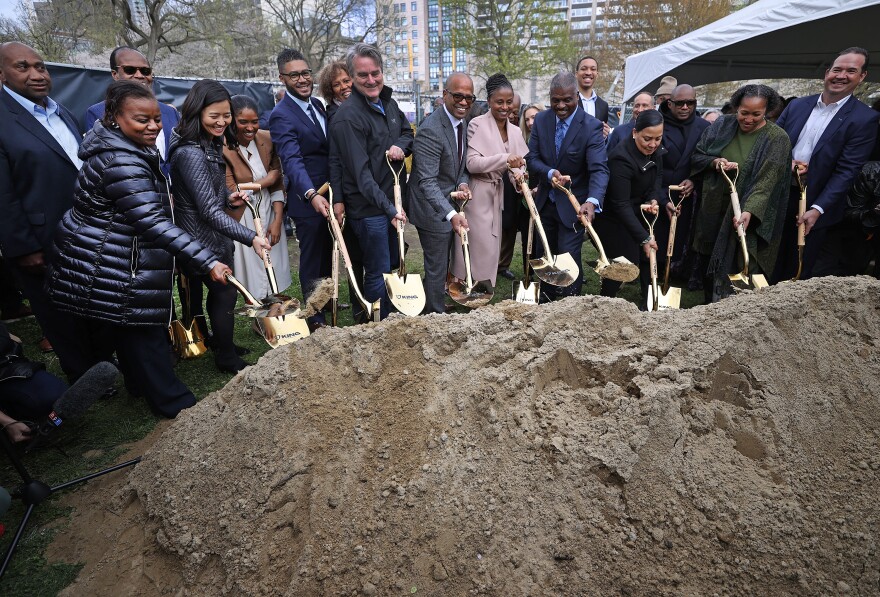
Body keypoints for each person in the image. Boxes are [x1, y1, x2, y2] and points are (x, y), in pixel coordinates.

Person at [47, 81, 233, 417]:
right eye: (141, 120)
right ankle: (175, 403)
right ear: (115, 117)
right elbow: (151, 221)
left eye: (156, 119)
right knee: (144, 333)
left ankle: (139, 385)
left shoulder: (125, 147)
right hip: (112, 259)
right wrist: (208, 261)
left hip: (116, 254)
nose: (152, 126)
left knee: (128, 330)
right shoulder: (121, 160)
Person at [0, 41, 106, 382]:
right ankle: (82, 374)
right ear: (1, 73)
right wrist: (23, 247)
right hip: (40, 240)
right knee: (58, 313)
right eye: (23, 67)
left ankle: (103, 367)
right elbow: (2, 194)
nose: (36, 74)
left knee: (92, 300)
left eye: (40, 66)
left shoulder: (60, 111)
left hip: (85, 229)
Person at [169, 79, 270, 374]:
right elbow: (210, 211)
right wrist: (251, 237)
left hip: (209, 235)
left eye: (226, 115)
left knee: (221, 293)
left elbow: (208, 193)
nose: (222, 121)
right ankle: (225, 356)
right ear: (197, 112)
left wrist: (229, 194)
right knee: (224, 292)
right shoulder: (190, 152)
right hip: (198, 238)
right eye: (214, 115)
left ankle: (221, 344)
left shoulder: (210, 143)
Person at [774, 47, 879, 281]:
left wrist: (818, 209)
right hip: (778, 195)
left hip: (815, 204)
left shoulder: (865, 119)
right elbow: (772, 146)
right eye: (837, 69)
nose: (841, 76)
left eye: (851, 71)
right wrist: (786, 162)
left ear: (861, 77)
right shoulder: (797, 105)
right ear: (826, 72)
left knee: (797, 270)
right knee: (768, 262)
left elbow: (847, 171)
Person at [328, 43, 414, 321]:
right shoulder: (348, 117)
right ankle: (376, 328)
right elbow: (361, 176)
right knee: (376, 271)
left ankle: (388, 320)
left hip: (391, 203)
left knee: (391, 266)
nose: (371, 80)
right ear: (352, 78)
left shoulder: (388, 103)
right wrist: (390, 210)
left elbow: (406, 132)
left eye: (375, 73)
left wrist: (400, 146)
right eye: (363, 75)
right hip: (370, 210)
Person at [691, 84, 792, 302]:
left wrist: (749, 211)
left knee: (739, 260)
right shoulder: (722, 125)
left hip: (748, 214)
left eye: (757, 114)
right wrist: (714, 162)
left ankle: (737, 309)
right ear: (736, 108)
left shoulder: (777, 138)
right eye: (744, 113)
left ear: (768, 111)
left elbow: (767, 182)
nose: (748, 119)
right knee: (711, 259)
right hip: (714, 208)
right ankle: (710, 304)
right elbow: (698, 156)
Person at [526, 70, 609, 301]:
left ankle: (569, 303)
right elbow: (532, 159)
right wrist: (550, 172)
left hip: (574, 208)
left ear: (577, 98)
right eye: (555, 100)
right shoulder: (541, 120)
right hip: (545, 204)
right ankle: (547, 300)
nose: (561, 105)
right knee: (546, 255)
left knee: (568, 257)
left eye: (567, 100)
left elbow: (599, 169)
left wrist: (592, 202)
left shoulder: (591, 127)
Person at [269, 48, 334, 331]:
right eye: (294, 75)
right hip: (308, 198)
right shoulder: (281, 115)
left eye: (306, 73)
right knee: (312, 257)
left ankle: (327, 300)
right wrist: (311, 194)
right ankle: (314, 314)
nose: (302, 79)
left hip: (331, 193)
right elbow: (292, 161)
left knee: (330, 251)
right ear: (283, 78)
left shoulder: (318, 106)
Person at [450, 73, 527, 290]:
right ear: (489, 101)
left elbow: (517, 165)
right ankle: (466, 287)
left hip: (498, 194)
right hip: (478, 194)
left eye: (508, 102)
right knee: (477, 245)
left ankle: (485, 288)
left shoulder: (514, 130)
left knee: (492, 247)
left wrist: (519, 176)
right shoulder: (477, 124)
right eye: (499, 102)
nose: (505, 107)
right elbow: (473, 164)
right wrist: (505, 159)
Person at [408, 72, 474, 314]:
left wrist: (463, 184)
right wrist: (450, 214)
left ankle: (432, 302)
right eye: (458, 96)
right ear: (445, 94)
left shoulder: (461, 121)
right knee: (436, 265)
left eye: (469, 97)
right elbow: (426, 181)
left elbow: (460, 168)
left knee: (442, 263)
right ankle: (434, 315)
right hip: (430, 207)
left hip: (448, 202)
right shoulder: (430, 129)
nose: (464, 102)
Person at [223, 94, 291, 299]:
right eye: (243, 122)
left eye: (254, 121)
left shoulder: (267, 139)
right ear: (232, 120)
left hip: (270, 211)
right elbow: (233, 189)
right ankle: (257, 314)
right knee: (252, 271)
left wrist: (278, 220)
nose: (250, 127)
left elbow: (278, 182)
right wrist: (266, 181)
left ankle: (276, 310)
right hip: (243, 216)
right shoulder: (222, 146)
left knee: (275, 267)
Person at [594, 110, 664, 306]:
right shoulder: (620, 159)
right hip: (614, 218)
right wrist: (643, 238)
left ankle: (649, 301)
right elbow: (620, 203)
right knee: (623, 262)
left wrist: (653, 198)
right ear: (635, 133)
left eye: (658, 138)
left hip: (638, 210)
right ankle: (604, 302)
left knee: (644, 259)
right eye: (647, 139)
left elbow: (657, 177)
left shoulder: (656, 150)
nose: (653, 144)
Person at [83, 46, 179, 179]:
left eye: (145, 71)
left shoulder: (170, 112)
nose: (140, 76)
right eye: (130, 70)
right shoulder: (99, 113)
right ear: (115, 74)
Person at [658, 84, 711, 286]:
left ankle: (679, 276)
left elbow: (707, 159)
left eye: (691, 103)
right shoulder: (658, 123)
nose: (685, 107)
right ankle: (655, 279)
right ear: (670, 103)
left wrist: (694, 180)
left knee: (683, 242)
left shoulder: (704, 127)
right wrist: (662, 195)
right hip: (660, 193)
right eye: (680, 103)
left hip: (690, 198)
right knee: (660, 243)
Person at [497, 91, 523, 280]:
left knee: (510, 225)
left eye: (515, 111)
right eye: (509, 110)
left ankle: (503, 264)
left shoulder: (517, 131)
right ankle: (490, 263)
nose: (511, 114)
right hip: (494, 179)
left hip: (513, 182)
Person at [575, 56, 611, 137]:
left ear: (597, 74)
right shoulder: (569, 101)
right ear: (576, 74)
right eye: (584, 68)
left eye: (593, 69)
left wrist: (605, 135)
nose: (588, 72)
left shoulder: (603, 106)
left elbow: (602, 137)